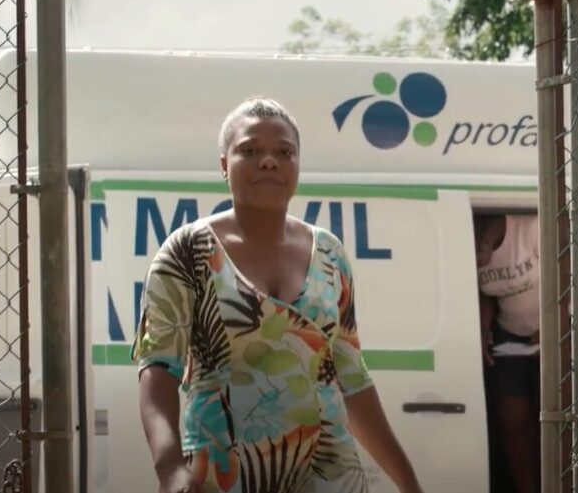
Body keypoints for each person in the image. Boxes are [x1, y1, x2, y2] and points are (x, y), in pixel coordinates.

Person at [133, 98, 423, 493]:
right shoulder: (186, 252)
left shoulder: (330, 253)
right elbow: (158, 368)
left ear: (297, 165)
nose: (269, 161)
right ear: (224, 165)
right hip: (226, 475)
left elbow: (351, 378)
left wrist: (410, 484)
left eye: (284, 152)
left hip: (331, 475)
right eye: (250, 150)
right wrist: (169, 468)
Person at [474, 213, 540, 493]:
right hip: (509, 336)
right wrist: (483, 326)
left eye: (477, 255)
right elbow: (488, 293)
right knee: (512, 426)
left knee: (554, 419)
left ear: (486, 241)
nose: (475, 264)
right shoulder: (469, 245)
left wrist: (554, 324)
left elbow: (571, 272)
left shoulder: (529, 231)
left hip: (558, 333)